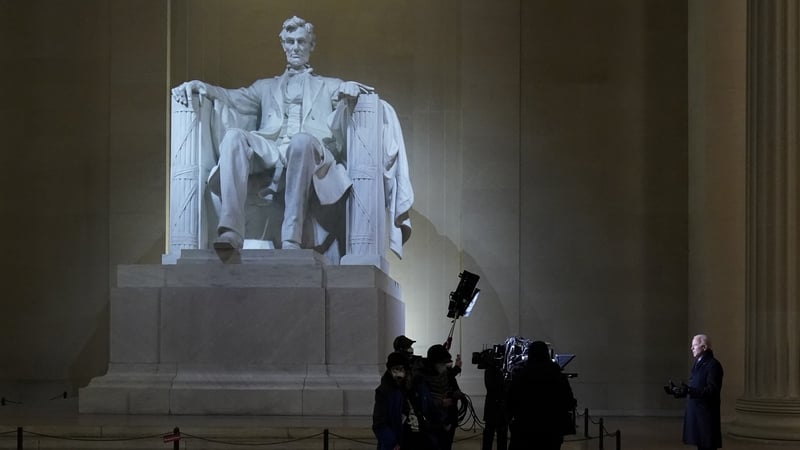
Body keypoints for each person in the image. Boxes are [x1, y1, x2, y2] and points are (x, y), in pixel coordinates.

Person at [171, 16, 366, 254]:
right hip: (273, 148)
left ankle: (291, 239)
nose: (295, 47)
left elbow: (347, 94)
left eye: (301, 42)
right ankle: (231, 231)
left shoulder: (329, 84)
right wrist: (202, 86)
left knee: (301, 141)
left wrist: (351, 88)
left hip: (311, 151)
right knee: (233, 137)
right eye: (290, 42)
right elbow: (232, 97)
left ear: (311, 46)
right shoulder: (265, 87)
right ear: (283, 45)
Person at [507, 341, 576, 450]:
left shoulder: (521, 375)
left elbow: (510, 402)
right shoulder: (557, 375)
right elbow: (568, 401)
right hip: (551, 431)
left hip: (525, 430)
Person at [665, 334, 723, 450]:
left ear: (704, 347)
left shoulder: (713, 365)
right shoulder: (699, 363)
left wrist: (689, 390)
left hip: (706, 416)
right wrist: (680, 391)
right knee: (700, 446)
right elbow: (696, 387)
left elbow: (712, 390)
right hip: (698, 415)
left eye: (695, 345)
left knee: (707, 447)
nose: (692, 348)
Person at [373, 352, 437, 450]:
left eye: (401, 369)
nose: (398, 374)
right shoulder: (385, 391)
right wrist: (392, 443)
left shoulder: (418, 386)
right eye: (395, 369)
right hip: (399, 442)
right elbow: (379, 423)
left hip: (421, 440)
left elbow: (430, 410)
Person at [416, 344, 464, 450]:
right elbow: (422, 403)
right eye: (442, 363)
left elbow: (451, 377)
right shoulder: (421, 378)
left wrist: (456, 394)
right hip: (432, 424)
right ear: (434, 363)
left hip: (448, 420)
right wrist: (440, 403)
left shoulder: (446, 374)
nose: (444, 366)